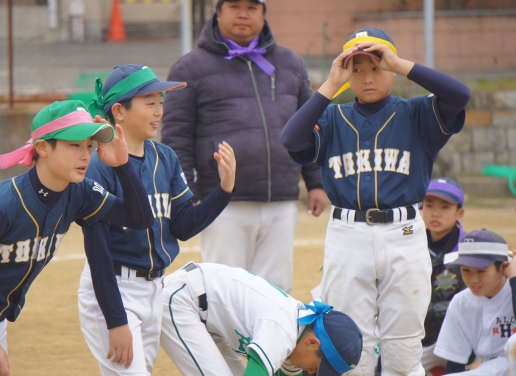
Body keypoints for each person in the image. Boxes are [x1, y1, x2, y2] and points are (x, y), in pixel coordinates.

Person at [280, 27, 471, 375]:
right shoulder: (332, 118)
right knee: (353, 344)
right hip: (347, 234)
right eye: (357, 70)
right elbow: (291, 138)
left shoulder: (417, 114)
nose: (367, 77)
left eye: (377, 67)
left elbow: (460, 95)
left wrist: (401, 65)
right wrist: (329, 86)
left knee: (403, 348)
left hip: (405, 232)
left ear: (391, 69)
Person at [0, 99, 154, 376]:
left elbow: (140, 219)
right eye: (74, 145)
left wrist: (122, 165)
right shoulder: (1, 204)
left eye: (89, 146)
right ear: (43, 148)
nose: (86, 155)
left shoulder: (78, 192)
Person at [78, 64, 236, 375]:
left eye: (161, 102)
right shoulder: (99, 166)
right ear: (119, 111)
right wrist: (115, 319)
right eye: (149, 102)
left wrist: (224, 191)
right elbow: (98, 253)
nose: (159, 111)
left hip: (156, 289)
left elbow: (183, 226)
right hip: (113, 289)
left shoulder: (165, 157)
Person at [161, 0, 328, 293]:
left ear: (263, 14)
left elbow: (309, 128)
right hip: (220, 201)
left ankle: (265, 342)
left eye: (252, 7)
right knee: (225, 290)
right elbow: (177, 137)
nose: (243, 13)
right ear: (218, 11)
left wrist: (315, 181)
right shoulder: (190, 67)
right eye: (234, 5)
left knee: (275, 290)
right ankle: (226, 342)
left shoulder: (291, 63)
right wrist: (184, 193)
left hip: (282, 199)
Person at [160, 262, 363, 376]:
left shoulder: (298, 337)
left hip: (206, 314)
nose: (311, 373)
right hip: (182, 300)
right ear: (312, 342)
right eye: (316, 368)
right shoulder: (283, 330)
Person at [434, 229, 516, 375]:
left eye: (481, 271)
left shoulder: (512, 290)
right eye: (466, 270)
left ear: (503, 267)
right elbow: (454, 365)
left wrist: (515, 279)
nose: (472, 280)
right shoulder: (461, 302)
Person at [421, 177, 467, 373]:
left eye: (445, 207)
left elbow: (469, 304)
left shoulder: (468, 252)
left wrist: (426, 312)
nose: (436, 213)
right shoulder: (409, 243)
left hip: (450, 339)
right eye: (429, 205)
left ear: (460, 212)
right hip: (412, 336)